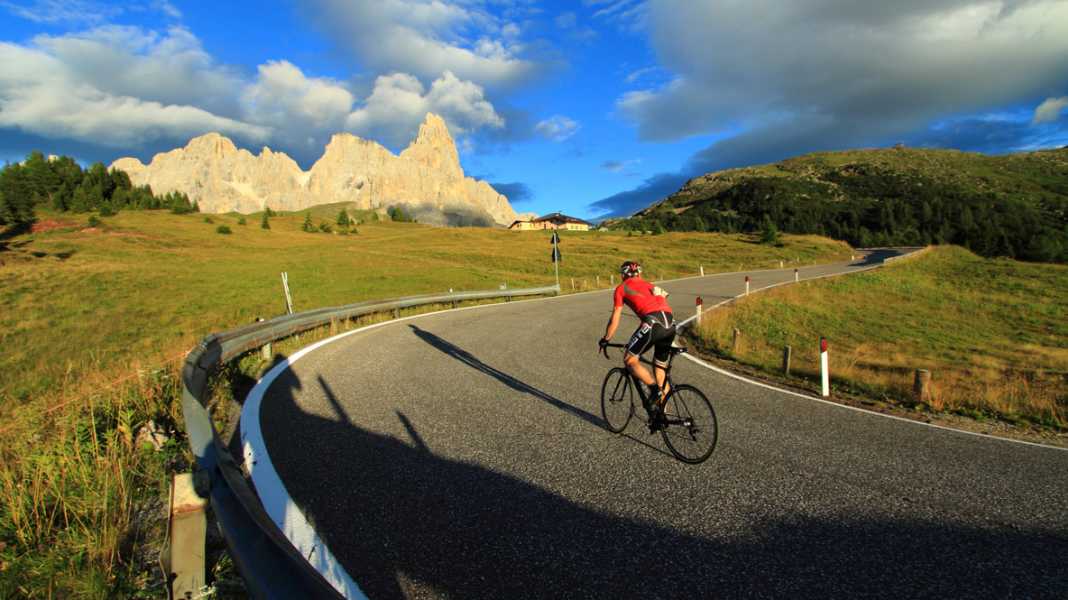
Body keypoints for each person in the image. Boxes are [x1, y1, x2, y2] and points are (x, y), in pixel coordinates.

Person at [599, 260, 676, 430]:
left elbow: (615, 318)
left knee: (630, 359)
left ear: (623, 275)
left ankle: (654, 389)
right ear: (640, 274)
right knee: (660, 370)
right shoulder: (650, 285)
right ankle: (663, 415)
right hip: (671, 324)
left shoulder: (622, 288)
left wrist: (606, 338)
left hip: (653, 323)